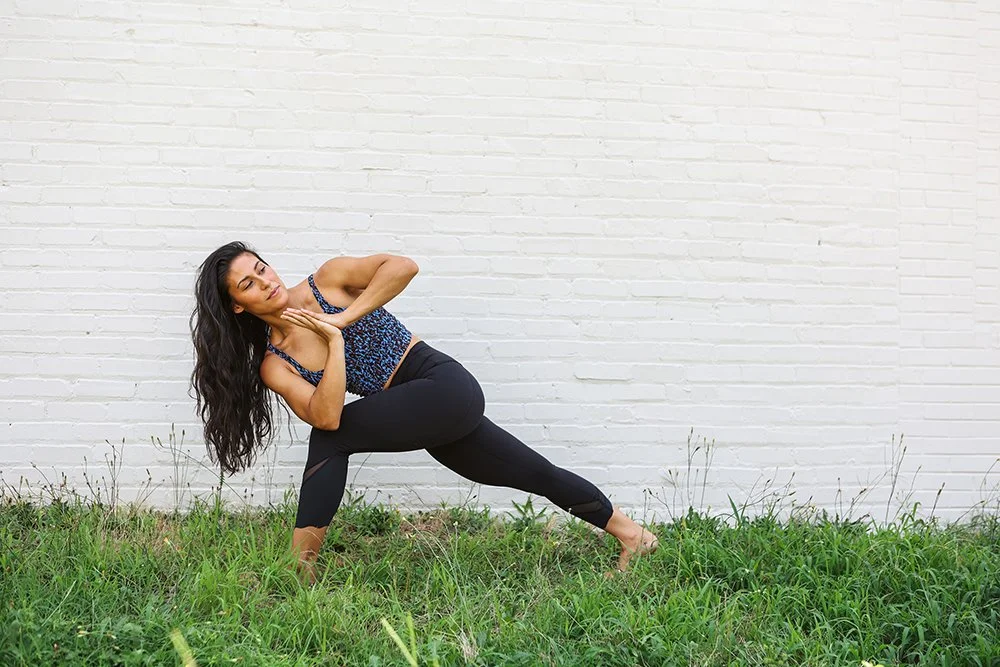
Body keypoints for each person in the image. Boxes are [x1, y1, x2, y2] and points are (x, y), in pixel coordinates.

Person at [189, 241, 658, 584]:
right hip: (416, 411)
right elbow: (327, 414)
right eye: (248, 284)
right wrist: (334, 345)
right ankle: (633, 536)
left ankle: (300, 569)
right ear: (237, 305)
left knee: (331, 442)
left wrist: (341, 321)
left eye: (262, 268)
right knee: (532, 471)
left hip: (441, 384)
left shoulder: (328, 280)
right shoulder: (276, 362)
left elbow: (403, 266)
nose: (266, 282)